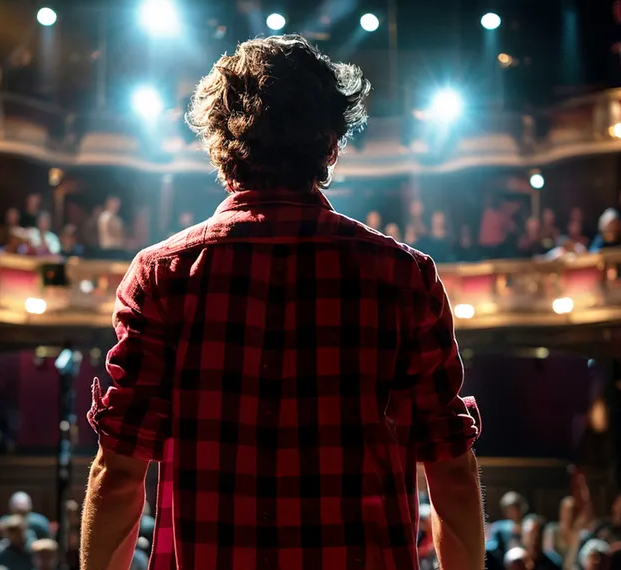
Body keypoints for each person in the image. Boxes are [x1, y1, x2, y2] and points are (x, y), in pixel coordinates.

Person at [83, 35, 483, 570]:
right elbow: (451, 470)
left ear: (219, 143)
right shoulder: (404, 276)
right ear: (332, 145)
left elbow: (120, 472)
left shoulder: (163, 276)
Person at [488, 492, 529, 561]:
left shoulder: (529, 526)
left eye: (514, 509)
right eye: (509, 509)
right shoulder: (499, 527)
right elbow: (493, 547)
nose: (512, 512)